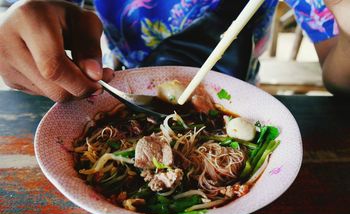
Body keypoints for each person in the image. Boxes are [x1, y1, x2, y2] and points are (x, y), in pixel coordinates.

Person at [0, 0, 349, 102]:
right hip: (125, 88)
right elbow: (38, 12)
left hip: (239, 95)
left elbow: (338, 76)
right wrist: (21, 22)